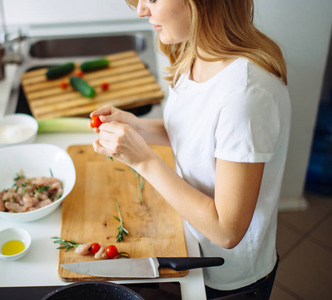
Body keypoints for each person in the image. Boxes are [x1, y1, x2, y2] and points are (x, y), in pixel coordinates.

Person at [90, 0, 291, 299]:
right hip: (188, 245)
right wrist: (138, 126)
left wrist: (143, 160)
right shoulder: (195, 50)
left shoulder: (245, 96)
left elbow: (227, 231)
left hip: (227, 277)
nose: (142, 10)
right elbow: (197, 135)